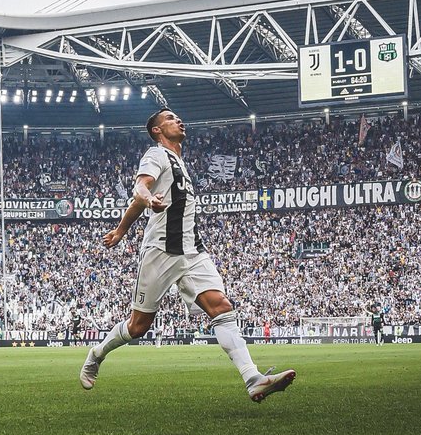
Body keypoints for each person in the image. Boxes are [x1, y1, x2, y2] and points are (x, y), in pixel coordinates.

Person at [79, 108, 295, 403]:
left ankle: (253, 378)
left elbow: (139, 202)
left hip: (192, 251)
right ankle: (96, 353)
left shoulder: (180, 162)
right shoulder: (156, 154)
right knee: (138, 326)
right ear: (157, 130)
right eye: (169, 118)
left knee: (221, 306)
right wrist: (145, 200)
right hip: (161, 250)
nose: (178, 120)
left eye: (178, 117)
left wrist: (120, 231)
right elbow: (140, 188)